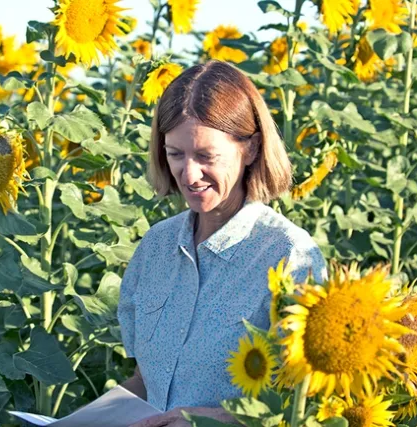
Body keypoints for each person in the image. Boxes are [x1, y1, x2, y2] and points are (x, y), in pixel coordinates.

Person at [117, 60, 327, 427]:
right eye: (175, 154)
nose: (190, 174)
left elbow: (307, 408)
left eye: (206, 156)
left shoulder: (289, 256)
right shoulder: (155, 247)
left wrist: (219, 420)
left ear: (251, 149)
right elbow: (145, 382)